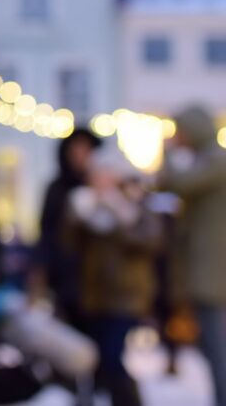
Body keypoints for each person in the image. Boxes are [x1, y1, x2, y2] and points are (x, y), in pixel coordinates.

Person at [64, 146, 161, 406]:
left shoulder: (135, 201)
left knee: (110, 356)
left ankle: (129, 401)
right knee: (96, 360)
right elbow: (69, 247)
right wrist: (79, 215)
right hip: (93, 295)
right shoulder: (85, 204)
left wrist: (119, 214)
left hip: (126, 294)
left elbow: (151, 241)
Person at [159, 105, 226, 406]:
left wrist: (167, 152)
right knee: (211, 346)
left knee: (216, 345)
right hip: (209, 270)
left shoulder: (216, 160)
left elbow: (176, 183)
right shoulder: (210, 160)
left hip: (213, 272)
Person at [35, 129, 103, 327]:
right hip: (66, 276)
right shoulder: (57, 189)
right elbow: (46, 231)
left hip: (100, 281)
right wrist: (41, 271)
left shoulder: (104, 190)